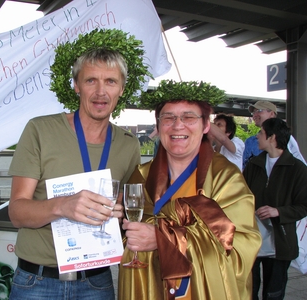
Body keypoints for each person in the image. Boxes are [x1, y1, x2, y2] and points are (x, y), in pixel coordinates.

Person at [7, 48, 140, 299]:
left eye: (110, 81)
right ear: (76, 85)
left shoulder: (128, 144)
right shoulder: (40, 130)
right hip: (37, 282)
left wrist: (120, 216)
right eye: (91, 80)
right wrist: (63, 206)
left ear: (121, 89)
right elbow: (16, 213)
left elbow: (125, 213)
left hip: (97, 282)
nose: (101, 92)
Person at [118, 80, 261, 300]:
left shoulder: (225, 178)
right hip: (151, 287)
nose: (178, 126)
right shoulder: (142, 176)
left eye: (189, 117)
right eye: (168, 118)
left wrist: (163, 239)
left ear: (205, 126)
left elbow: (240, 244)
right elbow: (125, 234)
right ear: (158, 126)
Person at [243, 118, 307, 300]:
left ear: (272, 137)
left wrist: (278, 211)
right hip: (252, 241)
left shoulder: (297, 169)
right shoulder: (254, 164)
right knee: (248, 291)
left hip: (280, 242)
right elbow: (241, 195)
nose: (257, 136)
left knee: (273, 293)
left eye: (261, 133)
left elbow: (304, 206)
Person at [243, 100, 306, 169]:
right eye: (254, 112)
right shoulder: (250, 141)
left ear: (272, 114)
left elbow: (298, 165)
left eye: (259, 110)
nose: (255, 115)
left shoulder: (284, 137)